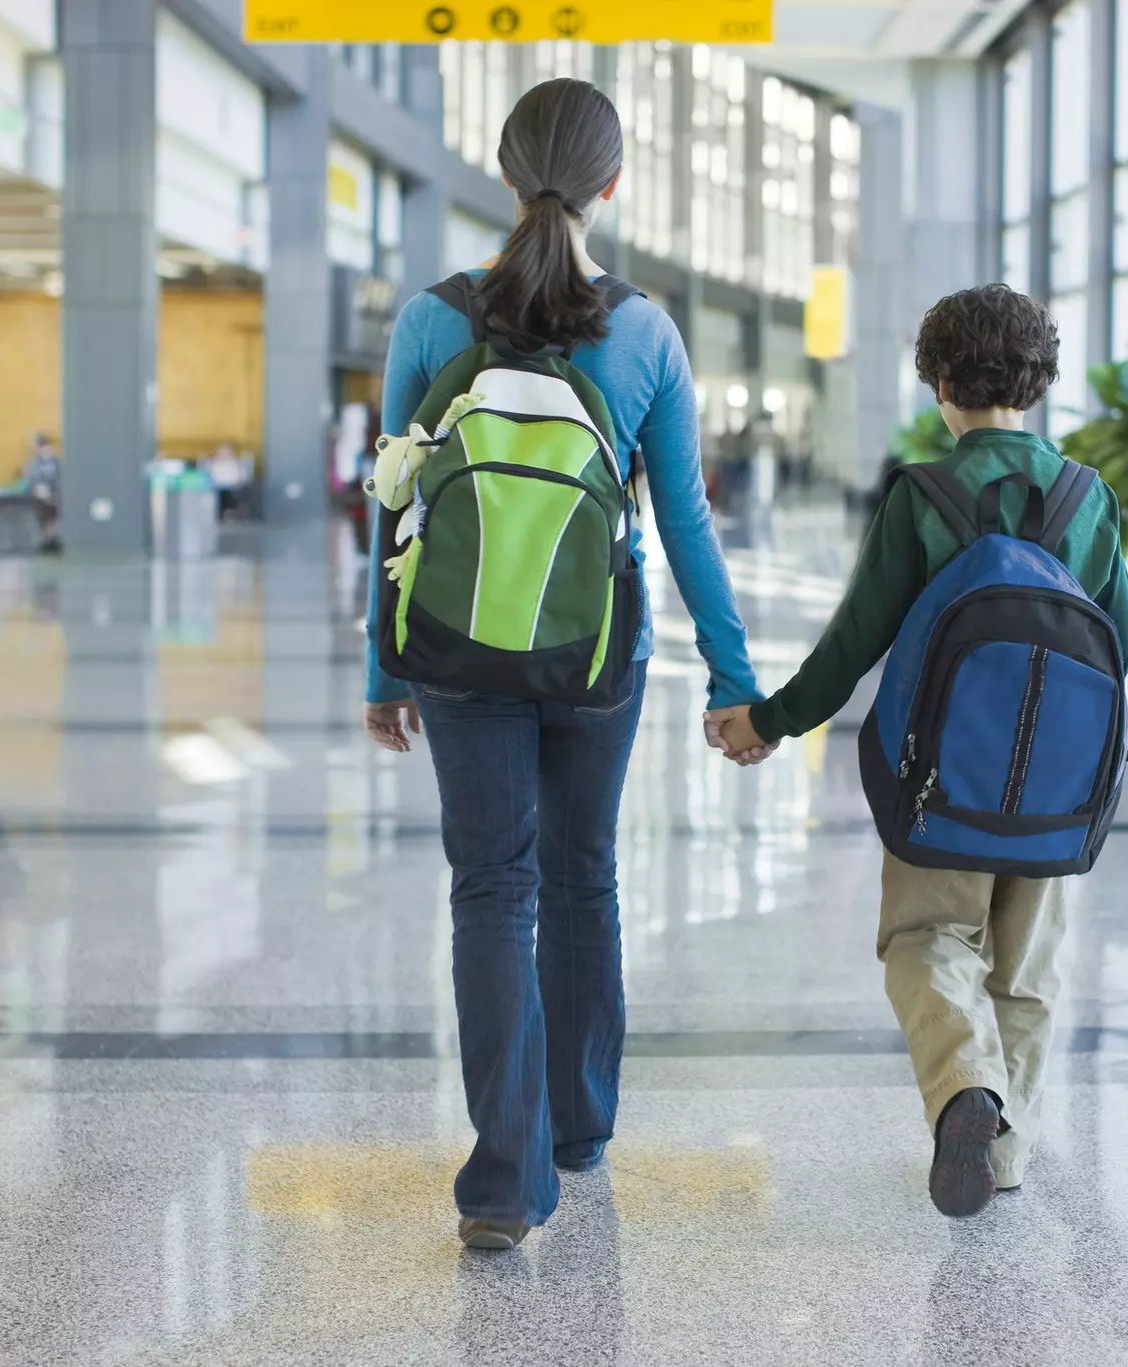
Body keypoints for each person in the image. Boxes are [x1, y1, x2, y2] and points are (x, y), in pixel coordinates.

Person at [361, 78, 768, 1252]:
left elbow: (392, 504)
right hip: (598, 652)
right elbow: (683, 520)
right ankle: (580, 1125)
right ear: (613, 183)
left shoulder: (431, 319)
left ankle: (503, 1179)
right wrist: (733, 676)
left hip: (455, 647)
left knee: (491, 889)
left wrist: (385, 668)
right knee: (583, 875)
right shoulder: (645, 331)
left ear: (500, 172)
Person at [710, 283, 1128, 1217]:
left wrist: (768, 721)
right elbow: (1127, 640)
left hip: (940, 783)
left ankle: (963, 1091)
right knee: (1026, 970)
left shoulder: (924, 497)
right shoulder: (1090, 500)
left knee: (925, 937)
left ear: (941, 384)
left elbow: (854, 642)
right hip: (1057, 791)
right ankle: (1006, 1155)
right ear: (1038, 382)